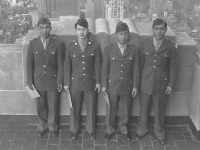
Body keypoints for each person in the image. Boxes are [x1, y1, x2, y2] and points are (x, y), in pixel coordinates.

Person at [136, 18, 178, 145]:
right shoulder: (144, 43)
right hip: (145, 82)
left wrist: (170, 84)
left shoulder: (171, 46)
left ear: (165, 30)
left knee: (160, 110)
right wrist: (138, 83)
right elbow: (140, 65)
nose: (159, 31)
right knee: (144, 108)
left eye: (162, 28)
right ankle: (142, 130)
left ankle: (160, 132)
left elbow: (173, 67)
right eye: (156, 28)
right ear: (153, 29)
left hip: (161, 83)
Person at [101, 21, 140, 141]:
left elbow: (136, 69)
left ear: (128, 34)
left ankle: (124, 128)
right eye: (120, 34)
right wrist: (104, 86)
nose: (123, 37)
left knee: (126, 109)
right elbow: (105, 69)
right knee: (111, 109)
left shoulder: (134, 50)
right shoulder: (108, 49)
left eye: (125, 34)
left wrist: (135, 86)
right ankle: (110, 129)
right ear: (115, 34)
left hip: (127, 86)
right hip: (112, 85)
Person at [26, 17, 65, 137]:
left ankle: (52, 126)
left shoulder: (58, 44)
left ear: (50, 28)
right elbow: (29, 64)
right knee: (40, 105)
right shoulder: (33, 44)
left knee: (53, 104)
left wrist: (59, 81)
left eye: (47, 27)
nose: (44, 30)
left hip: (52, 80)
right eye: (41, 28)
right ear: (38, 28)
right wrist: (29, 81)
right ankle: (42, 125)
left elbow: (60, 65)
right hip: (38, 81)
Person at [64, 18, 101, 140]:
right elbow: (67, 66)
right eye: (79, 29)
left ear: (88, 30)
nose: (81, 32)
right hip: (75, 82)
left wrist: (98, 82)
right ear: (75, 31)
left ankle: (91, 130)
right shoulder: (70, 47)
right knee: (74, 107)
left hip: (90, 82)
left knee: (91, 107)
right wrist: (67, 83)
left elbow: (97, 65)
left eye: (83, 29)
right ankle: (74, 130)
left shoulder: (94, 46)